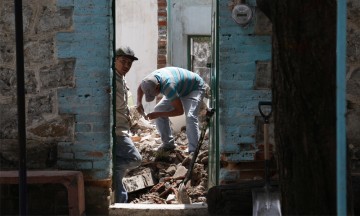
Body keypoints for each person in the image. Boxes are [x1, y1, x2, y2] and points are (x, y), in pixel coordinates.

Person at [136, 67, 206, 153]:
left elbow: (179, 111)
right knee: (158, 109)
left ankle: (194, 151)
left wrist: (158, 114)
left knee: (190, 116)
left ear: (158, 87)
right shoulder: (149, 80)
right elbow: (141, 86)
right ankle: (168, 144)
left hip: (194, 88)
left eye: (153, 94)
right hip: (179, 88)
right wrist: (139, 102)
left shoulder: (168, 86)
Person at [113, 47, 142, 203]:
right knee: (135, 159)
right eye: (123, 61)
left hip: (124, 129)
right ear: (114, 60)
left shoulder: (121, 79)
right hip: (117, 132)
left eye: (129, 63)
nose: (126, 66)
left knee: (120, 171)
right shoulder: (112, 79)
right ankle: (112, 167)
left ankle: (120, 199)